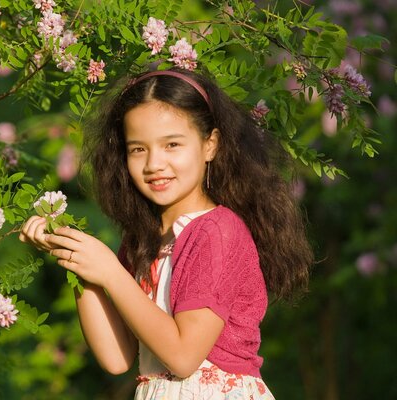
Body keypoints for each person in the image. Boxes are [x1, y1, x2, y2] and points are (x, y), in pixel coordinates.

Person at [19, 68, 312, 399]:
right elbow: (117, 358)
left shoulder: (218, 231)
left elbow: (184, 357)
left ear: (210, 145)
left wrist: (111, 273)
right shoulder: (142, 241)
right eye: (138, 149)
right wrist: (79, 261)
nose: (154, 163)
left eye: (172, 144)